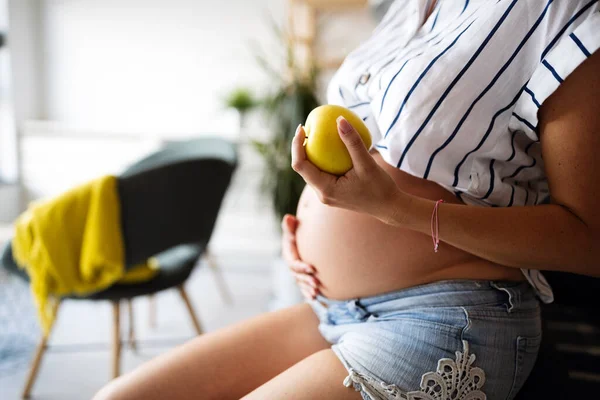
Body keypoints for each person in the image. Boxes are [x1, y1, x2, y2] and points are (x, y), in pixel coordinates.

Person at [94, 1, 600, 399]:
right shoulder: (408, 8)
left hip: (448, 316)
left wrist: (399, 210)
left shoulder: (563, 12)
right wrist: (306, 226)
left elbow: (588, 240)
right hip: (337, 309)